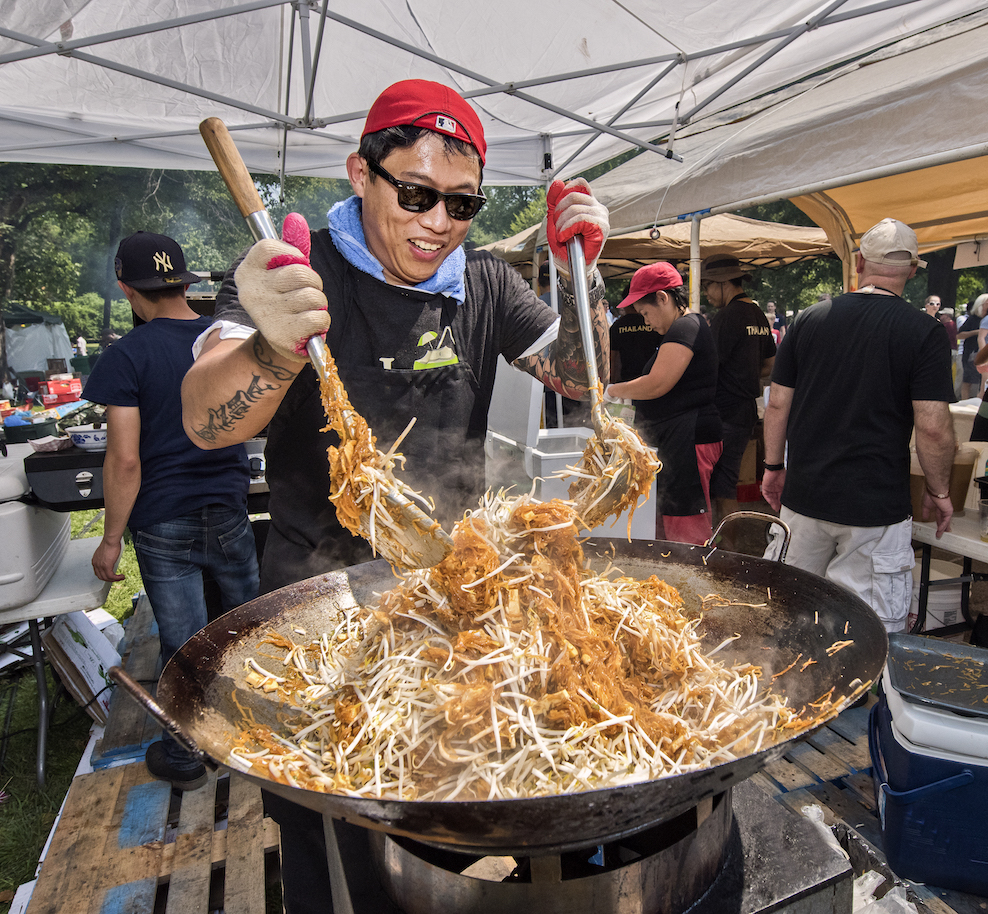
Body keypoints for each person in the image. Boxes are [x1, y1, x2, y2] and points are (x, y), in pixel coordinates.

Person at [180, 79, 611, 912]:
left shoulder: (482, 282)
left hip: (449, 595)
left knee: (442, 799)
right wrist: (272, 346)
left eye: (461, 202)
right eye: (414, 194)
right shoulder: (296, 273)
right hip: (319, 603)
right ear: (360, 173)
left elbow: (579, 379)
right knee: (326, 820)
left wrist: (576, 277)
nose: (438, 222)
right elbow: (206, 422)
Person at [85, 231, 259, 789]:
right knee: (249, 630)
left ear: (127, 290)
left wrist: (110, 538)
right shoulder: (227, 339)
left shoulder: (126, 355)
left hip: (162, 519)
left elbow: (125, 458)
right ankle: (262, 744)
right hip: (229, 508)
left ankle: (186, 759)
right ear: (185, 282)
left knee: (183, 644)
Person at [761, 218, 955, 634]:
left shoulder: (810, 318)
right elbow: (934, 428)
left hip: (806, 496)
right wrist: (939, 491)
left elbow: (777, 404)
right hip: (874, 507)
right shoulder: (924, 331)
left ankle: (787, 696)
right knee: (864, 635)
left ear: (860, 262)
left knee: (788, 618)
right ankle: (855, 701)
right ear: (914, 270)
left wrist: (773, 467)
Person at [605, 262, 722, 545]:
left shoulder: (686, 327)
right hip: (676, 440)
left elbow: (658, 383)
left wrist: (610, 391)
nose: (646, 321)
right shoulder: (678, 330)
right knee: (670, 524)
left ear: (662, 298)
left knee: (687, 527)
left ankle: (695, 581)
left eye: (646, 312)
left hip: (689, 438)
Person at [701, 254, 775, 524]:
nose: (707, 293)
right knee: (728, 480)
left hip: (724, 412)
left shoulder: (727, 316)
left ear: (722, 283)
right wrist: (745, 375)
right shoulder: (757, 313)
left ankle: (722, 547)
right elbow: (769, 364)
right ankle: (726, 545)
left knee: (717, 483)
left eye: (708, 286)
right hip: (745, 411)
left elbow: (708, 366)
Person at [609, 302, 661, 382]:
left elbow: (613, 357)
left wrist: (612, 381)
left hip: (626, 378)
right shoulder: (651, 323)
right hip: (650, 376)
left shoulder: (617, 325)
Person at [958, 293, 988, 399]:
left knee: (983, 381)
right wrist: (978, 332)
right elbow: (959, 335)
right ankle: (964, 402)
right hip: (971, 353)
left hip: (987, 353)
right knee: (968, 381)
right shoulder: (973, 319)